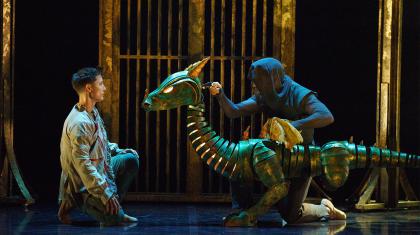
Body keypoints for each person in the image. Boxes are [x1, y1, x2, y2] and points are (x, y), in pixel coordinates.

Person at [209, 57, 345, 224]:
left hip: (301, 157)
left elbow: (326, 116)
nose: (254, 86)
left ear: (270, 79)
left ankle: (325, 208)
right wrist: (220, 95)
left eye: (257, 81)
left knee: (290, 215)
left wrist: (291, 126)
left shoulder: (298, 93)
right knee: (239, 162)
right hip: (277, 156)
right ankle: (245, 212)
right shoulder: (265, 95)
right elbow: (234, 111)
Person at [58, 67, 140, 226]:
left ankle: (113, 205)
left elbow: (99, 143)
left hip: (98, 171)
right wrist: (105, 194)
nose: (104, 88)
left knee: (130, 160)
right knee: (114, 220)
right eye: (101, 84)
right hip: (83, 184)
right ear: (89, 88)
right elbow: (84, 166)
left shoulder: (92, 112)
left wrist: (118, 150)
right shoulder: (79, 123)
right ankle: (74, 200)